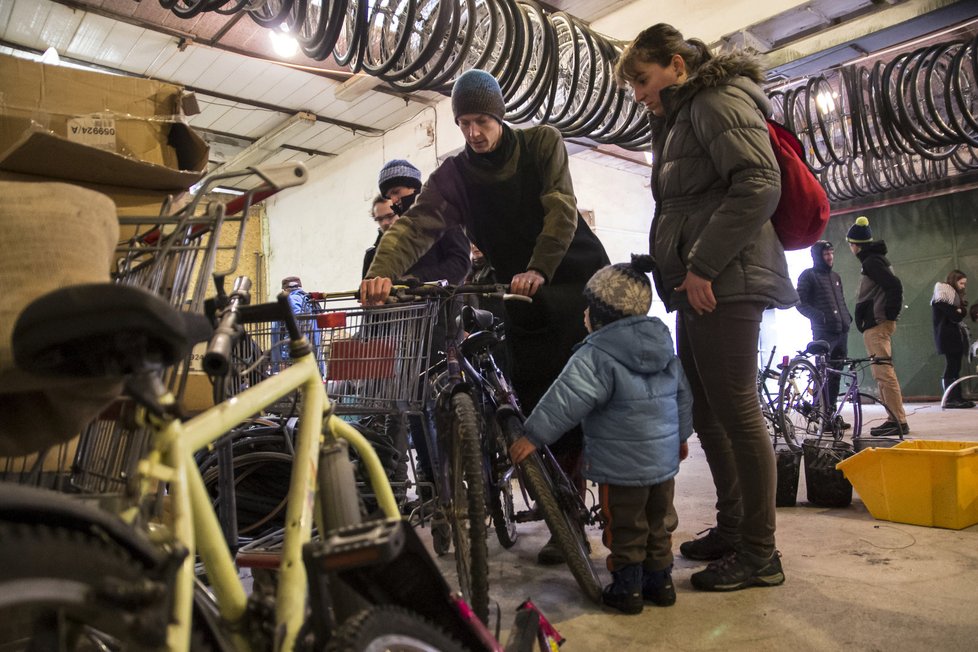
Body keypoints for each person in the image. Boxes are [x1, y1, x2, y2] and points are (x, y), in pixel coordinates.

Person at [361, 69, 611, 564]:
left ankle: (618, 519)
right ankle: (569, 522)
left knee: (595, 402)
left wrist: (539, 267)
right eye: (463, 122)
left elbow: (561, 209)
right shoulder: (455, 175)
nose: (473, 132)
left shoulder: (542, 144)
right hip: (519, 291)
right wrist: (381, 271)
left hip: (572, 280)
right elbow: (414, 227)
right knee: (539, 406)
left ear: (499, 115)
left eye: (481, 120)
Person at [614, 23, 797, 591]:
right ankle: (736, 526)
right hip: (700, 281)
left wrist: (701, 265)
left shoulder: (716, 100)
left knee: (738, 411)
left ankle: (761, 553)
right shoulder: (676, 118)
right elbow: (691, 200)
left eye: (643, 81)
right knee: (706, 412)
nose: (639, 94)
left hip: (725, 280)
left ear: (676, 64)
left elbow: (759, 182)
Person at [509, 254, 692, 615]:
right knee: (659, 520)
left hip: (620, 468)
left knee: (626, 525)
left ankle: (628, 589)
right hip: (664, 462)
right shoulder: (663, 346)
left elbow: (565, 400)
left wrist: (533, 436)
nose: (583, 315)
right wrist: (682, 436)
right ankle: (661, 582)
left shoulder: (595, 354)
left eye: (587, 309)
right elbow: (682, 397)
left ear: (601, 315)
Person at [846, 215, 910, 436]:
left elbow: (894, 286)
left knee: (884, 373)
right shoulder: (874, 260)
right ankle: (894, 418)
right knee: (881, 374)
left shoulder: (872, 262)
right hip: (877, 324)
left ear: (855, 245)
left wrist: (888, 315)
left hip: (878, 325)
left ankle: (899, 421)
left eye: (850, 244)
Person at [795, 241, 853, 420]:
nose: (830, 257)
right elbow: (800, 303)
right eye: (826, 254)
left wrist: (847, 317)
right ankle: (819, 416)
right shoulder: (808, 276)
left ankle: (830, 417)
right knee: (823, 377)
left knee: (835, 376)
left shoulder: (835, 277)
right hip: (823, 334)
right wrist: (820, 316)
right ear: (817, 256)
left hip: (841, 332)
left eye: (831, 253)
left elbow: (840, 300)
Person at [931, 269, 974, 409]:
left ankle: (957, 397)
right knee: (952, 367)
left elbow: (962, 312)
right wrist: (959, 311)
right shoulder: (942, 298)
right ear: (954, 281)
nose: (963, 286)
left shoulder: (952, 298)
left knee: (955, 367)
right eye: (961, 283)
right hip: (947, 337)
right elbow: (955, 316)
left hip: (952, 336)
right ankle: (951, 399)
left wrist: (960, 310)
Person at [362, 195, 397, 279]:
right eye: (380, 219)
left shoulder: (423, 244)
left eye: (390, 216)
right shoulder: (371, 256)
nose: (384, 223)